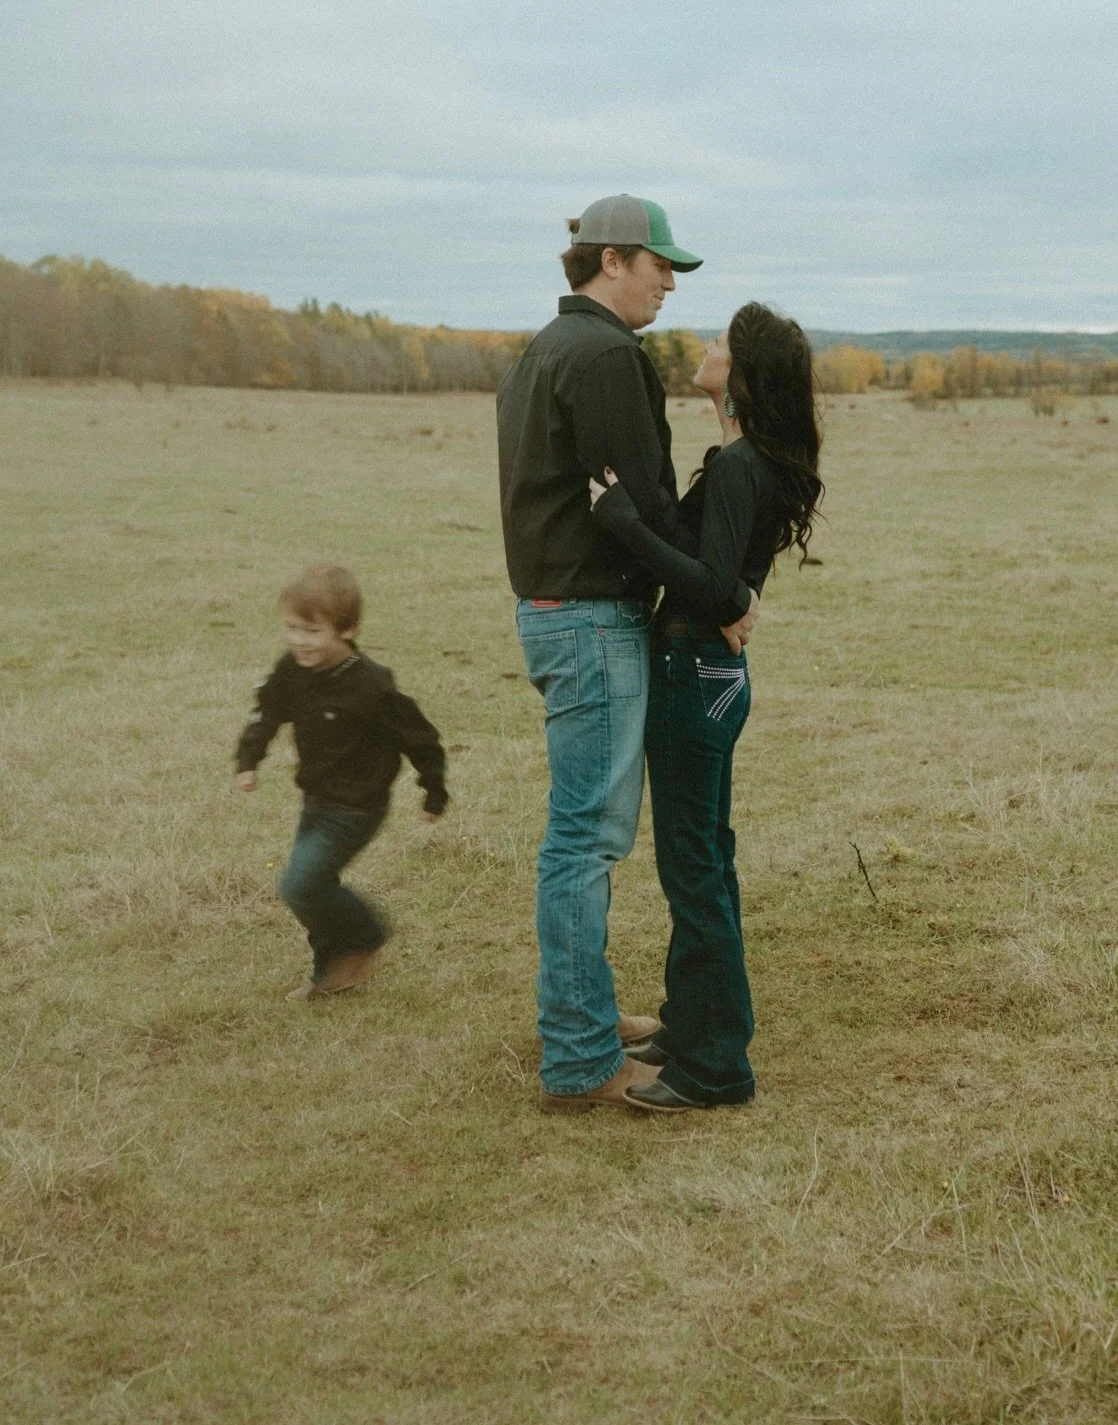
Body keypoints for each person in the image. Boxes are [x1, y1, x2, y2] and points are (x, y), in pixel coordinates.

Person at [496, 195, 759, 1112]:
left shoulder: (544, 348)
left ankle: (585, 1012)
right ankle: (577, 1056)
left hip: (555, 610)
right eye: (660, 267)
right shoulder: (609, 356)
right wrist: (721, 593)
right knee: (587, 837)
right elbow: (640, 504)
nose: (670, 285)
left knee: (581, 832)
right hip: (591, 618)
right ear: (612, 260)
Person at [589, 303, 823, 1111]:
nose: (707, 346)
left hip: (695, 670)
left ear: (744, 373)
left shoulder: (739, 466)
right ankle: (693, 1024)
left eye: (722, 342)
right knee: (705, 860)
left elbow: (715, 584)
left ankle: (717, 1064)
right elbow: (729, 580)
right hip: (713, 674)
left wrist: (623, 523)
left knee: (693, 867)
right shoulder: (743, 458)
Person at [234, 563, 448, 1000]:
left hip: (356, 807)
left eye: (312, 631)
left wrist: (434, 789)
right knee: (313, 886)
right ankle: (331, 971)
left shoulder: (371, 686)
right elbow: (268, 709)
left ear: (347, 629)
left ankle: (367, 934)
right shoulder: (292, 670)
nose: (298, 640)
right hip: (316, 798)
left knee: (301, 885)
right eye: (292, 627)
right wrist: (249, 757)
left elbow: (420, 737)